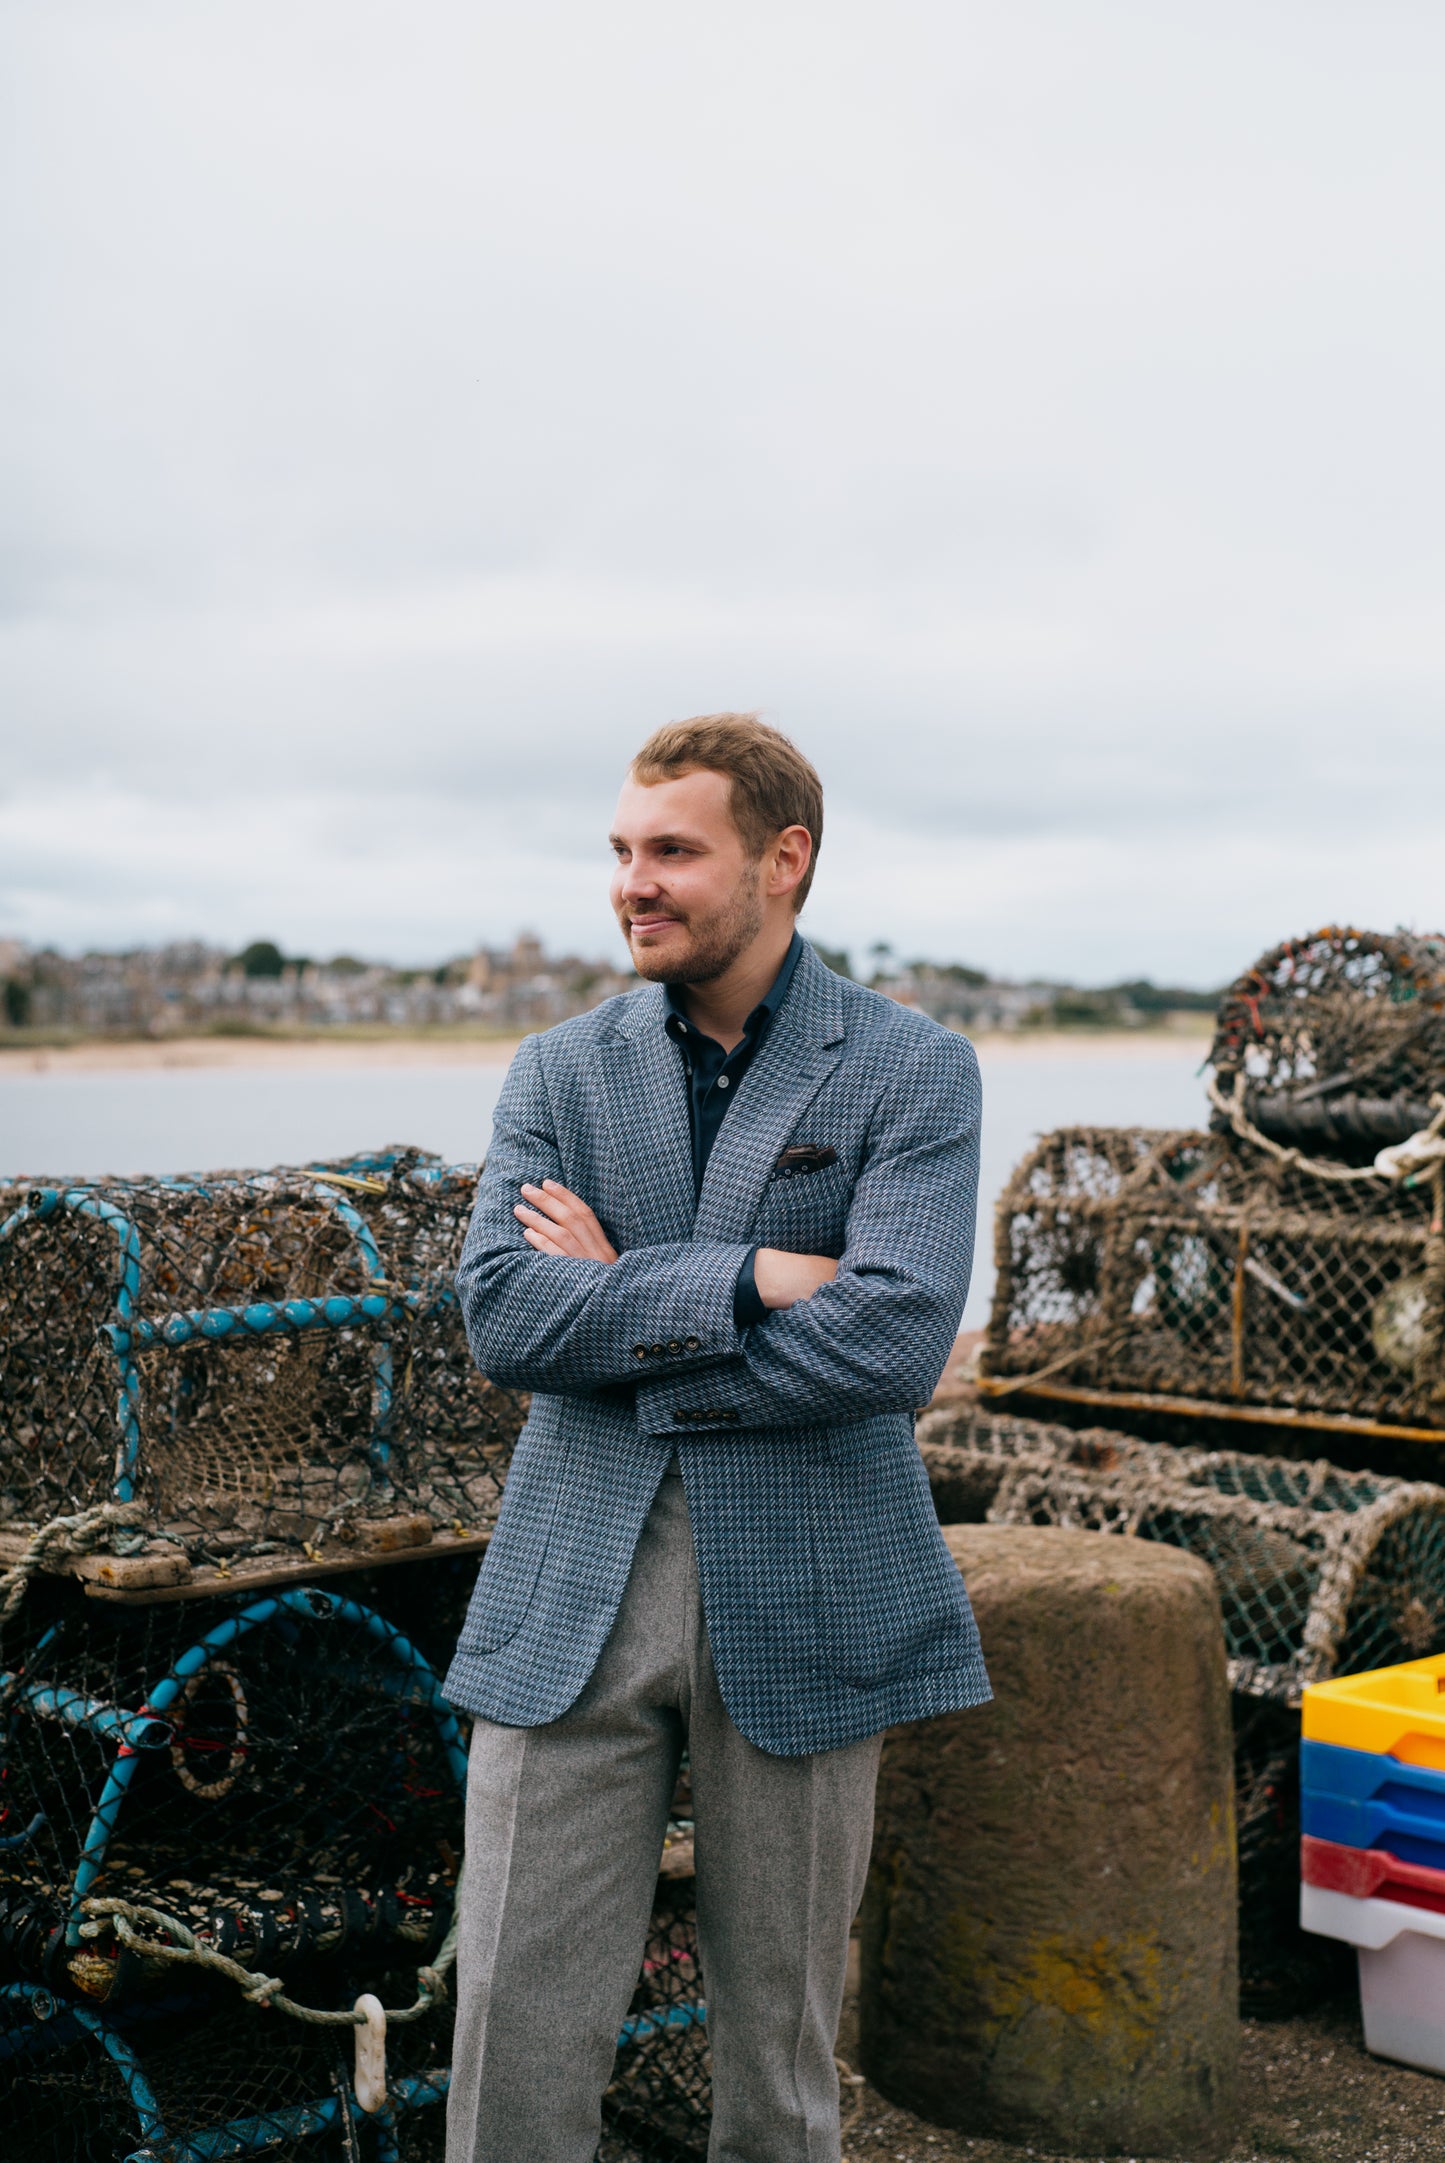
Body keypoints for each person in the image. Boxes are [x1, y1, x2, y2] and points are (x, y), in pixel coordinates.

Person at [444, 712, 989, 2163]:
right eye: (621, 852)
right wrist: (745, 1278)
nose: (635, 882)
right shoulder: (555, 1072)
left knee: (780, 2058)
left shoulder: (913, 1069)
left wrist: (615, 1311)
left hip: (813, 1583)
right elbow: (501, 1320)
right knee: (508, 2024)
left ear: (783, 860)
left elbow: (892, 1342)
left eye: (673, 852)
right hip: (571, 1579)